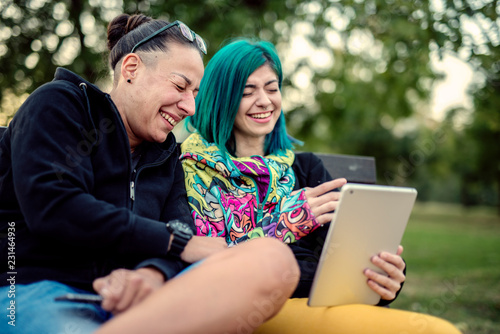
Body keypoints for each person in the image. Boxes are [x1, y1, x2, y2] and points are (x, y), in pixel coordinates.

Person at [0, 15, 300, 334]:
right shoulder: (61, 104)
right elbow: (55, 207)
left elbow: (181, 225)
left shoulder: (166, 154)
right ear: (131, 69)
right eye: (180, 86)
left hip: (142, 303)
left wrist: (151, 274)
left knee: (273, 260)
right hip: (39, 291)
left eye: (195, 93)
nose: (190, 107)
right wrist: (174, 242)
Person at [180, 38, 405, 304]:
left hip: (320, 307)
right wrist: (287, 223)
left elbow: (350, 256)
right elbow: (203, 271)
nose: (264, 101)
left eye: (272, 88)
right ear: (221, 99)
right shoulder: (190, 170)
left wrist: (387, 277)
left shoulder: (306, 169)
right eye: (247, 91)